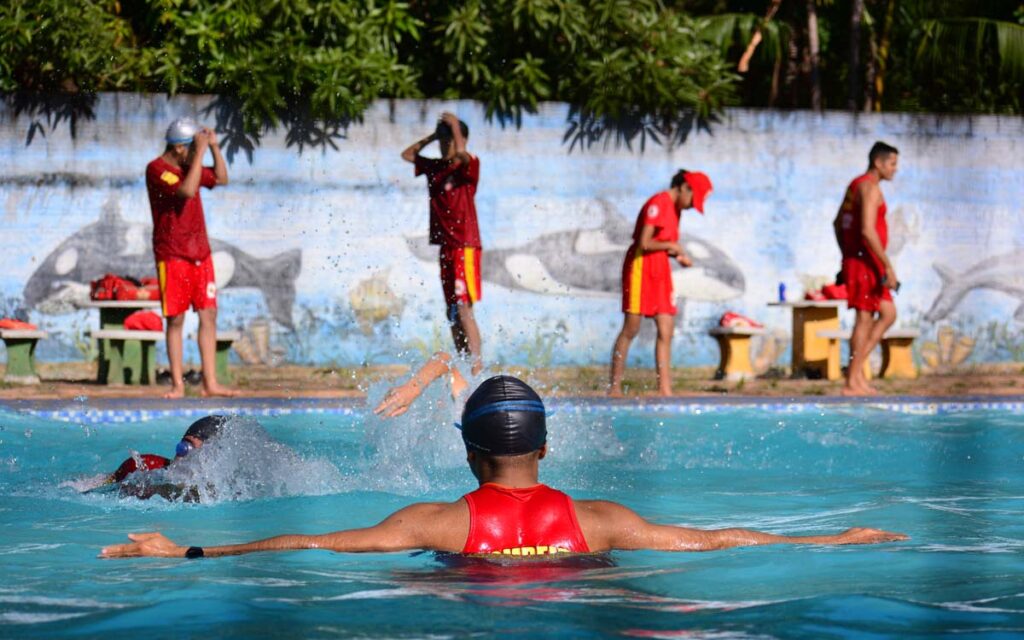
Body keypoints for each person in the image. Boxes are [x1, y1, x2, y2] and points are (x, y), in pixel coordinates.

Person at [101, 377, 906, 559]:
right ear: (545, 448)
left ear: (469, 451)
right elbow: (717, 538)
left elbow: (305, 545)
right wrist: (835, 539)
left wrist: (186, 552)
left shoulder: (435, 522)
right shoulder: (604, 519)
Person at [145, 117, 238, 399]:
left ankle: (210, 383)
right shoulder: (157, 169)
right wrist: (199, 154)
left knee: (208, 315)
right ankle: (178, 384)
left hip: (200, 254)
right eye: (191, 147)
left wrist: (214, 148)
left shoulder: (190, 166)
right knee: (175, 319)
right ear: (179, 148)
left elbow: (221, 178)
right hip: (172, 255)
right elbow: (186, 191)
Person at [608, 170, 713, 397]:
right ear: (685, 187)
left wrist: (677, 256)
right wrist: (672, 247)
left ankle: (665, 389)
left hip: (660, 271)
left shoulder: (676, 209)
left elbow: (663, 243)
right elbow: (645, 242)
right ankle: (614, 387)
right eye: (692, 201)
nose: (690, 207)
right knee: (631, 328)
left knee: (666, 328)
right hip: (640, 268)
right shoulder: (658, 203)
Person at [401, 112, 483, 374]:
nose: (445, 145)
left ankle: (476, 369)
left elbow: (461, 154)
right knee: (452, 311)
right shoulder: (435, 168)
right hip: (446, 248)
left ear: (462, 139)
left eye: (450, 140)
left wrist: (456, 128)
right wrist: (434, 135)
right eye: (442, 141)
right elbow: (408, 154)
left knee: (463, 308)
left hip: (465, 246)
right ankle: (463, 365)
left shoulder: (467, 167)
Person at [833, 141, 900, 396]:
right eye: (892, 164)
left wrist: (845, 255)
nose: (895, 169)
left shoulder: (855, 185)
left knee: (888, 313)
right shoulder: (869, 188)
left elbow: (837, 223)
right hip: (866, 262)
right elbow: (867, 231)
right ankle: (852, 381)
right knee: (864, 319)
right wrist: (887, 266)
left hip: (860, 260)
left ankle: (856, 374)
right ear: (878, 163)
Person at [99, 416, 230, 500]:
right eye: (183, 445)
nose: (183, 453)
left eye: (191, 448)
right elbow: (94, 487)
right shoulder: (146, 468)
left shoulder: (229, 492)